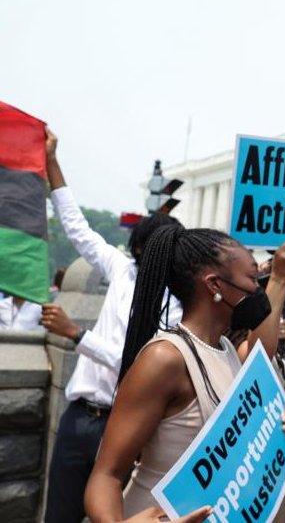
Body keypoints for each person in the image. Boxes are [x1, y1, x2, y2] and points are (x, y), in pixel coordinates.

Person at [84, 225, 285, 521]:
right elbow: (106, 476)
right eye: (252, 279)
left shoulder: (227, 349)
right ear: (214, 285)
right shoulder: (165, 358)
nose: (257, 290)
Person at [41, 128, 187, 522]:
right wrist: (53, 162)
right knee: (60, 513)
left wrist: (77, 335)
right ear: (139, 250)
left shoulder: (176, 308)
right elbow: (76, 227)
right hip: (79, 417)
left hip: (127, 426)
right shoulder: (122, 271)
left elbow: (135, 363)